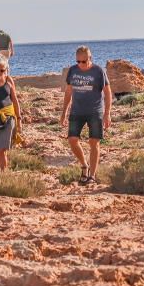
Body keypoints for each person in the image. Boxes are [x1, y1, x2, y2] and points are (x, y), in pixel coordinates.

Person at [60, 46, 112, 185]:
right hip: (77, 111)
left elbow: (107, 93)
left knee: (93, 142)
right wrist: (64, 112)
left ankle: (92, 176)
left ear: (90, 58)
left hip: (95, 111)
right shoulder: (73, 70)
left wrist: (107, 114)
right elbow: (68, 91)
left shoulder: (98, 71)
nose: (81, 64)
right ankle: (84, 165)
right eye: (78, 61)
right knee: (72, 139)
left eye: (84, 61)